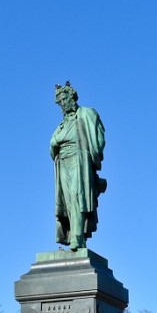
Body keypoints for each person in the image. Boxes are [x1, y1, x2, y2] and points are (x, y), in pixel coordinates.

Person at [50, 81, 107, 251]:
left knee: (77, 197)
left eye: (63, 99)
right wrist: (54, 143)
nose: (61, 104)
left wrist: (91, 158)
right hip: (63, 163)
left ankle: (77, 237)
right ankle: (70, 235)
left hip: (79, 160)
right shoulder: (61, 125)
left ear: (71, 97)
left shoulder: (87, 114)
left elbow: (99, 138)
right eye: (58, 102)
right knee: (66, 203)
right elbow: (52, 145)